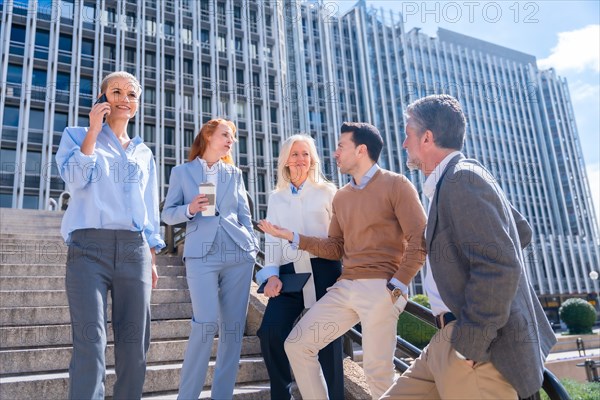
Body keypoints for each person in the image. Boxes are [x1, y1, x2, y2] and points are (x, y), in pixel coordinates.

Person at [381, 94, 557, 399]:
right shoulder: (457, 178)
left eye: (407, 135)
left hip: (472, 353)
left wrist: (471, 343)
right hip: (445, 342)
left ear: (427, 137)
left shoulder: (462, 180)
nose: (403, 144)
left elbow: (500, 266)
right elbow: (520, 233)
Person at [259, 122, 427, 399]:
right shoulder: (343, 196)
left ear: (360, 150)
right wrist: (291, 236)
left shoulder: (396, 184)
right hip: (345, 286)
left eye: (340, 147)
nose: (334, 153)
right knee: (298, 344)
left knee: (377, 374)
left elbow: (420, 239)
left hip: (381, 286)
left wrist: (398, 283)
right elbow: (335, 246)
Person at [55, 71, 164, 399]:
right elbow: (75, 180)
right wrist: (93, 130)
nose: (124, 99)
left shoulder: (144, 153)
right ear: (102, 98)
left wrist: (153, 257)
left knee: (135, 349)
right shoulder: (76, 136)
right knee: (91, 343)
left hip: (135, 250)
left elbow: (149, 210)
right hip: (88, 249)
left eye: (131, 94)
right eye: (116, 91)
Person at [161, 118, 258, 400]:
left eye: (233, 137)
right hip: (201, 254)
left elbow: (244, 216)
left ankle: (222, 396)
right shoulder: (182, 172)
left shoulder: (234, 173)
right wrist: (189, 209)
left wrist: (251, 246)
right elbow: (167, 214)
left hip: (237, 253)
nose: (231, 140)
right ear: (208, 135)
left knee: (232, 330)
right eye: (226, 134)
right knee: (204, 324)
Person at [256, 134, 344, 399]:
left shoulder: (328, 191)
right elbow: (271, 241)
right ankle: (282, 394)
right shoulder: (277, 197)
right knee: (271, 332)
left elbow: (341, 238)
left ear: (313, 159)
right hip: (290, 275)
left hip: (325, 272)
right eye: (295, 154)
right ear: (285, 160)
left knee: (326, 342)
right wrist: (271, 275)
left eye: (306, 154)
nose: (300, 159)